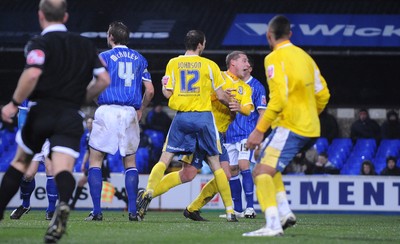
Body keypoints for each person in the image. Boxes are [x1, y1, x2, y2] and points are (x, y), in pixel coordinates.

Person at [0, 0, 110, 243]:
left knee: (20, 163)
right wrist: (81, 98)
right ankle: (62, 206)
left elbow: (32, 73)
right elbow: (103, 79)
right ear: (66, 17)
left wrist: (13, 102)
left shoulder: (39, 43)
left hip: (41, 112)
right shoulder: (84, 45)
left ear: (41, 16)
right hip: (70, 115)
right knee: (61, 169)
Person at [244, 15, 330, 237]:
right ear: (290, 34)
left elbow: (279, 99)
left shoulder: (273, 58)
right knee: (267, 162)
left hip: (291, 125)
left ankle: (272, 225)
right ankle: (284, 212)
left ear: (269, 36)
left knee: (260, 171)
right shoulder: (305, 57)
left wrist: (259, 130)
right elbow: (323, 94)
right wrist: (310, 114)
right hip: (310, 126)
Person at [136, 30, 237, 221]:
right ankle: (230, 211)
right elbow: (222, 95)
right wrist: (233, 105)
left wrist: (165, 85)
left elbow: (167, 94)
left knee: (165, 158)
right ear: (200, 44)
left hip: (182, 118)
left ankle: (148, 191)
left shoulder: (173, 63)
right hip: (204, 118)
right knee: (216, 164)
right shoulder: (209, 65)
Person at [86, 21, 154, 222]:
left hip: (107, 109)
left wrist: (98, 101)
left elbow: (93, 84)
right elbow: (150, 90)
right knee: (130, 163)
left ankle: (97, 211)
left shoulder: (103, 57)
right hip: (129, 112)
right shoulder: (140, 59)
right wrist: (141, 108)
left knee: (96, 159)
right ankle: (133, 211)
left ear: (111, 37)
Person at [220, 55, 266, 219]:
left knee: (243, 164)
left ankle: (250, 208)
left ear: (249, 69)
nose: (245, 66)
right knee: (232, 170)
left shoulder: (257, 87)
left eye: (247, 64)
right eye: (243, 63)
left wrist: (258, 133)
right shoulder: (228, 82)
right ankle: (238, 209)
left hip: (247, 133)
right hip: (230, 133)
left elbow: (262, 112)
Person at [9, 101, 58, 221]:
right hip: (33, 137)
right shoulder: (29, 91)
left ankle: (51, 209)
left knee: (50, 169)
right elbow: (23, 113)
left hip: (50, 136)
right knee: (28, 175)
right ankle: (26, 205)